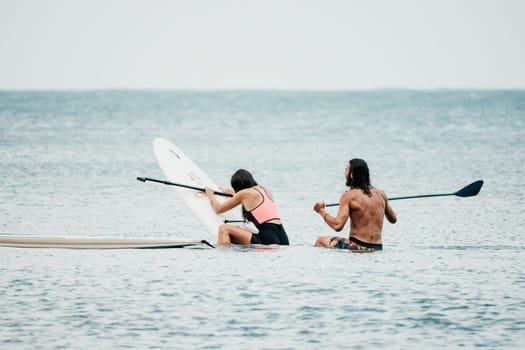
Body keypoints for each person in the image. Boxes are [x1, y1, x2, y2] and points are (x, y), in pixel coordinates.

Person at [313, 158, 397, 251]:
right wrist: (382, 203)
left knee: (320, 240)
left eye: (346, 169)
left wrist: (321, 211)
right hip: (377, 247)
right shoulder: (381, 194)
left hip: (358, 246)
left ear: (352, 175)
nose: (345, 172)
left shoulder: (349, 195)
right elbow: (393, 219)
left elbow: (338, 226)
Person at [204, 169, 289, 246]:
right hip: (282, 237)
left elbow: (218, 209)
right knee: (237, 229)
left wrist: (210, 195)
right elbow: (250, 203)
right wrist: (235, 194)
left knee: (224, 229)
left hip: (268, 239)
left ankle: (225, 257)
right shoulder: (263, 189)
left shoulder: (244, 194)